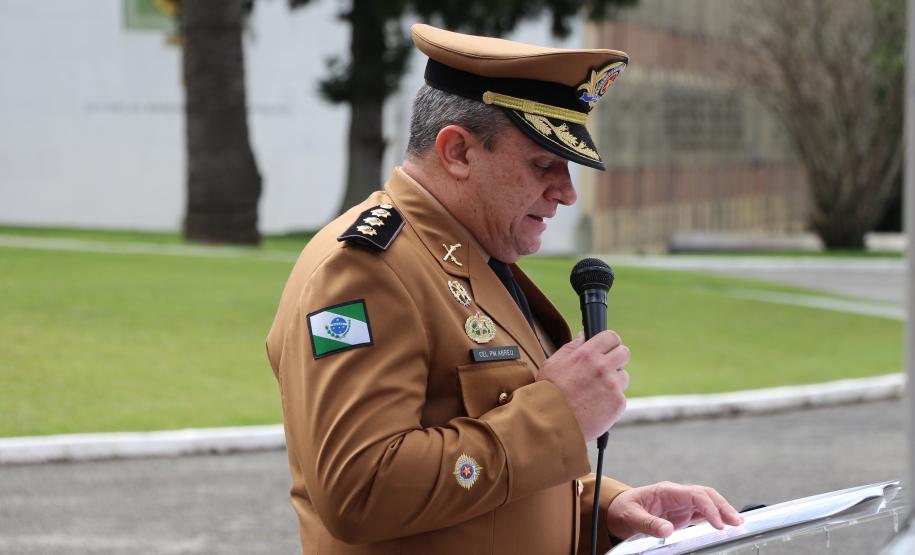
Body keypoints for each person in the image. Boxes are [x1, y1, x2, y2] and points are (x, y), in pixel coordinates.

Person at [266, 23, 742, 554]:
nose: (565, 193)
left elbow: (488, 478)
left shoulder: (472, 256)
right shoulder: (366, 267)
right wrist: (557, 414)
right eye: (544, 164)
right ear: (458, 152)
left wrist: (602, 507)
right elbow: (361, 488)